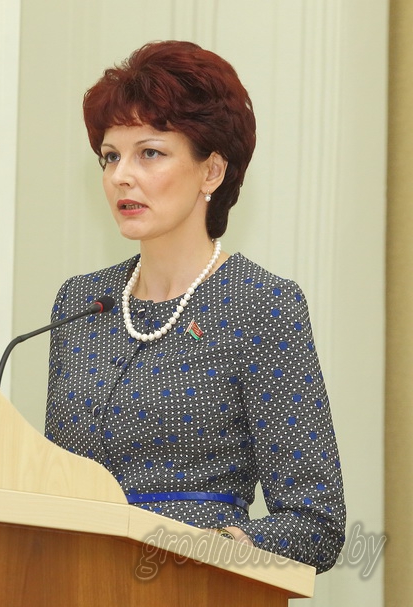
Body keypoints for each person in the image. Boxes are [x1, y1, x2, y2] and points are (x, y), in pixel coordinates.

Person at [44, 40, 345, 573]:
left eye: (149, 153)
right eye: (111, 156)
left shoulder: (260, 304)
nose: (121, 175)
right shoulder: (82, 304)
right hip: (74, 578)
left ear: (212, 172)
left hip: (192, 583)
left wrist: (206, 549)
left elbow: (315, 525)